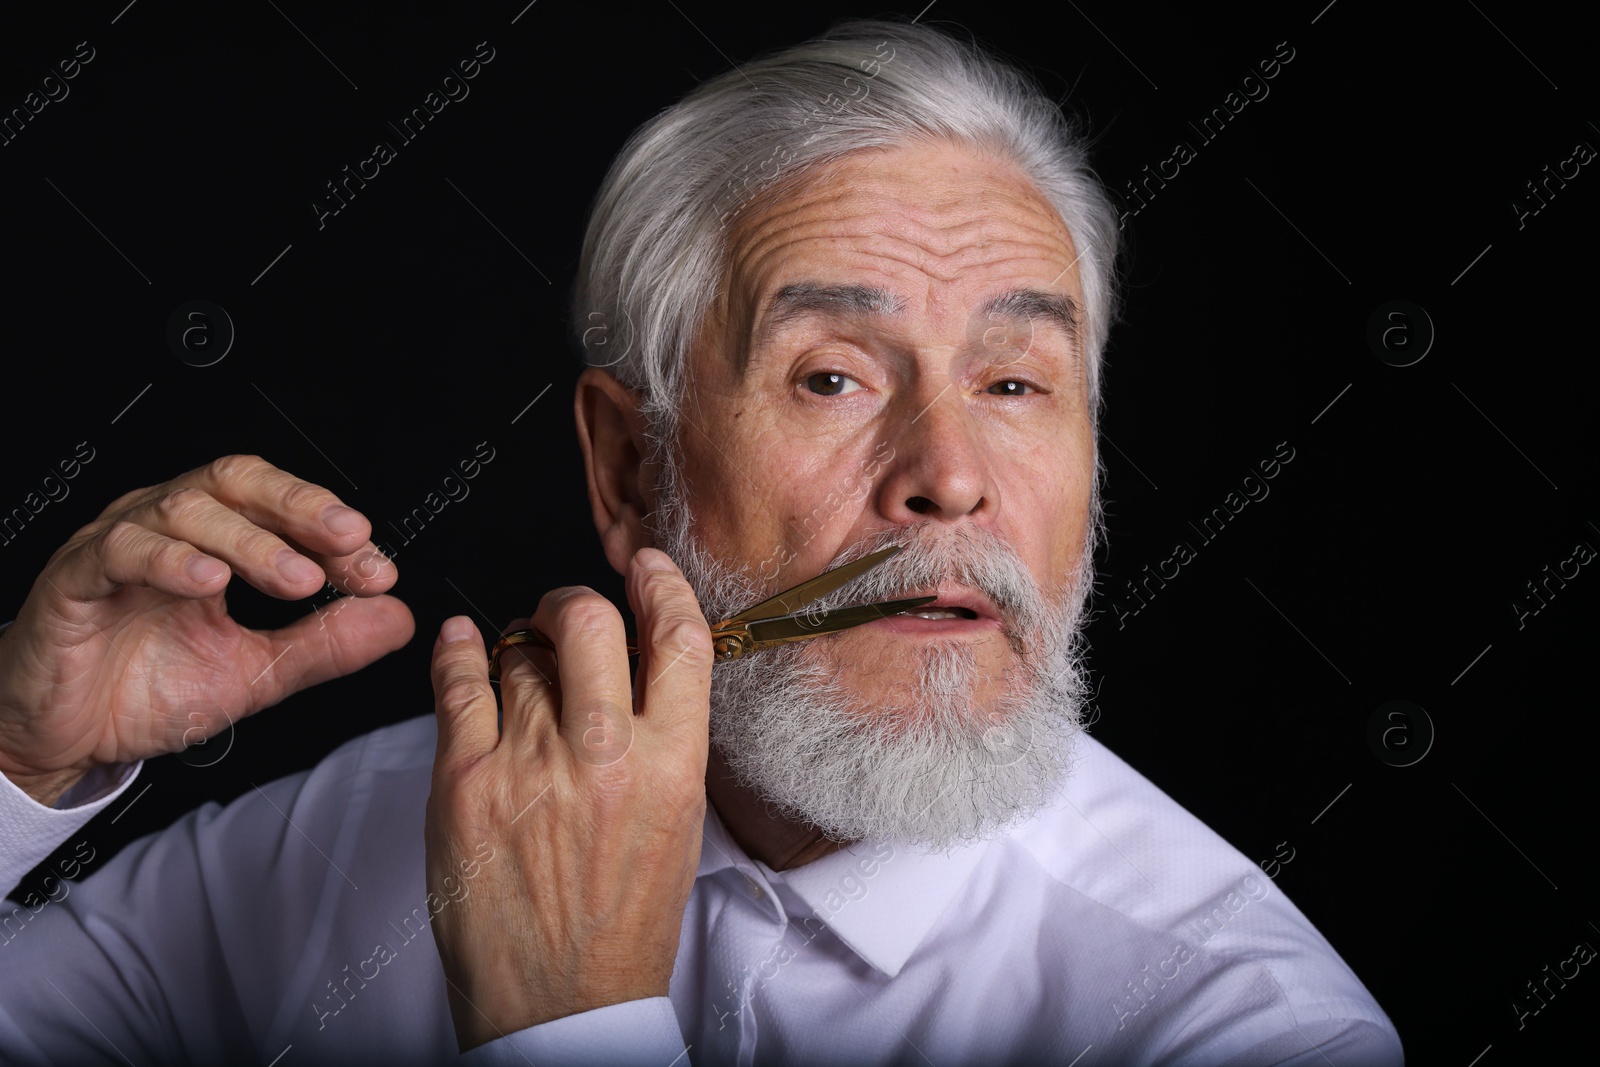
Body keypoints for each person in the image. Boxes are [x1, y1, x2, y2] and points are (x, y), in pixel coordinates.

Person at [0, 18, 1401, 1065]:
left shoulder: (1245, 1026)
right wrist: (18, 763)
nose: (951, 482)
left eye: (1017, 383)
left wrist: (566, 1025)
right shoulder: (388, 825)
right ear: (628, 466)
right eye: (834, 377)